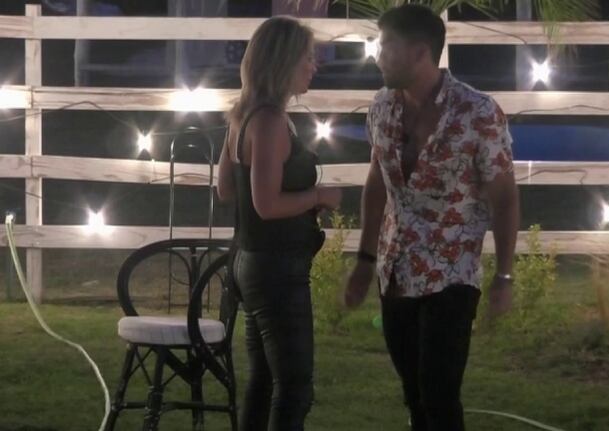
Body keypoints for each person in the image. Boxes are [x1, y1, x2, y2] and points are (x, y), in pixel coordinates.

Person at [344, 5, 520, 431]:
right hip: (396, 268)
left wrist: (504, 275)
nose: (378, 56)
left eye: (387, 46)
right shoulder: (382, 107)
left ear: (420, 52)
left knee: (439, 393)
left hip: (452, 273)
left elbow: (504, 197)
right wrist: (365, 261)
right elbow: (377, 182)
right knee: (414, 394)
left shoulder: (477, 112)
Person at [216, 16, 342, 431]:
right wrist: (318, 197)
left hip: (250, 261)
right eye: (308, 57)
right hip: (275, 268)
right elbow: (267, 204)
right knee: (294, 387)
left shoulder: (243, 115)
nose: (314, 66)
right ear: (283, 61)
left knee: (264, 380)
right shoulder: (269, 121)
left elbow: (226, 189)